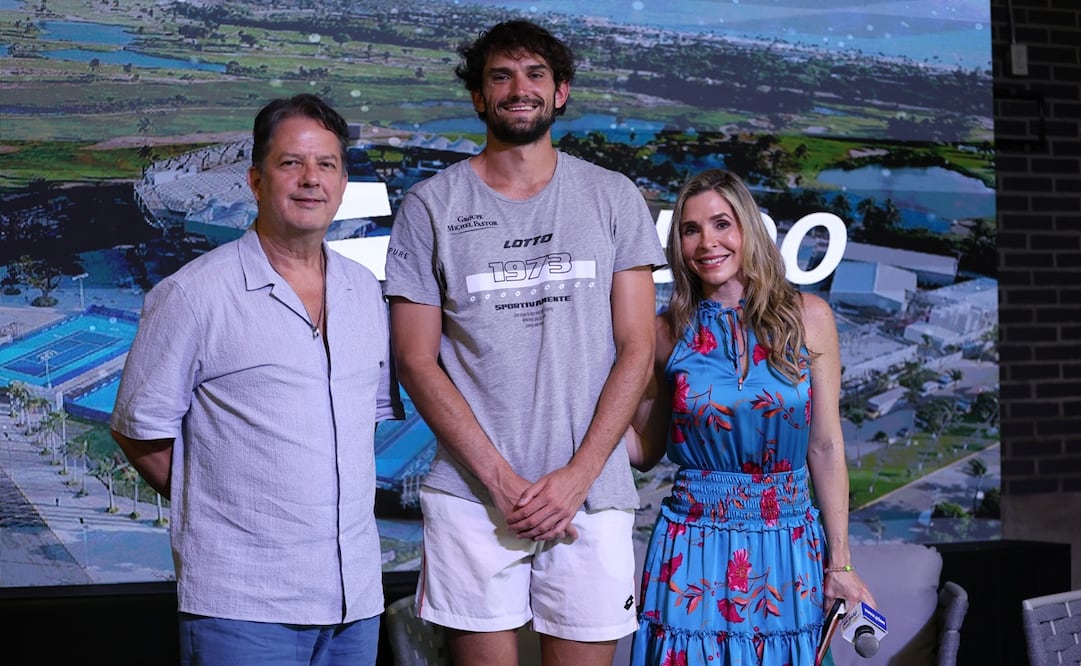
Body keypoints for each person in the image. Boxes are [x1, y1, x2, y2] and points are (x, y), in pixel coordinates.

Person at [383, 19, 666, 666]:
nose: (519, 88)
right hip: (473, 498)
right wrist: (501, 482)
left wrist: (573, 479)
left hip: (590, 496)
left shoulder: (612, 197)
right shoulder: (430, 207)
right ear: (478, 96)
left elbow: (636, 348)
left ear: (560, 92)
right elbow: (414, 359)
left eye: (535, 74)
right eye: (501, 75)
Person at [110, 93, 402, 666]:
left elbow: (359, 429)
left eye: (326, 165)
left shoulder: (365, 292)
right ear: (256, 180)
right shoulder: (193, 296)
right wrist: (230, 508)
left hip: (355, 605)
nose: (310, 180)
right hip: (244, 607)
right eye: (291, 163)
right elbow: (139, 433)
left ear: (343, 183)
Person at [626, 169, 876, 665]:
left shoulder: (810, 316)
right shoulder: (662, 332)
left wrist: (840, 561)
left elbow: (825, 447)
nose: (706, 242)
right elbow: (645, 450)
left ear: (748, 230)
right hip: (692, 547)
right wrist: (578, 415)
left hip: (788, 548)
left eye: (722, 224)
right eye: (690, 230)